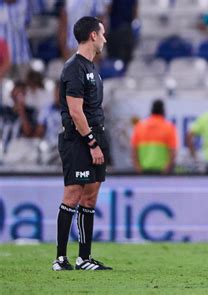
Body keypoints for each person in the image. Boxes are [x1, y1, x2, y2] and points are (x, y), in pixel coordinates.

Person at [53, 16, 112, 271]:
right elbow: (76, 112)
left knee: (91, 196)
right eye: (103, 33)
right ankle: (61, 258)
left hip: (95, 135)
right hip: (78, 139)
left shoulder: (91, 67)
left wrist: (97, 139)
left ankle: (84, 258)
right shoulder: (74, 68)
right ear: (93, 36)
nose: (105, 39)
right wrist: (91, 142)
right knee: (73, 194)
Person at [130, 99, 177, 174]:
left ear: (151, 110)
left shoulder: (140, 127)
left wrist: (137, 168)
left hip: (143, 171)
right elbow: (173, 152)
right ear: (163, 111)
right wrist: (167, 169)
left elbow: (134, 150)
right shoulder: (169, 127)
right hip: (162, 172)